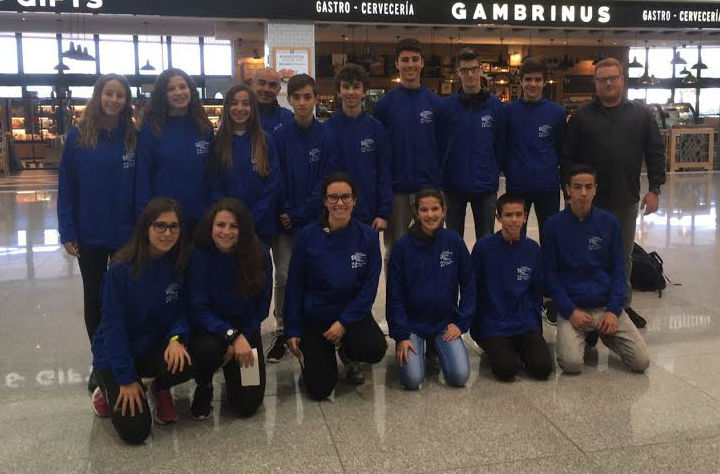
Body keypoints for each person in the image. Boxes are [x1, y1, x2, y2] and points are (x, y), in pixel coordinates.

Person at [562, 57, 666, 329]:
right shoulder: (582, 116)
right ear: (595, 84)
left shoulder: (641, 114)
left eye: (612, 78)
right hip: (587, 203)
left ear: (622, 80)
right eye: (602, 79)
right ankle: (585, 304)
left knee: (623, 255)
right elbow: (568, 156)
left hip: (624, 198)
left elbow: (655, 152)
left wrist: (654, 189)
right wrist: (570, 192)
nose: (608, 83)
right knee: (585, 254)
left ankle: (622, 306)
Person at [90, 197, 193, 444]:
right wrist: (125, 379)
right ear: (146, 227)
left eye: (174, 226)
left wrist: (176, 338)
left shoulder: (178, 263)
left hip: (151, 346)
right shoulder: (120, 270)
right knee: (136, 432)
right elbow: (113, 329)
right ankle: (106, 390)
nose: (167, 233)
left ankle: (160, 388)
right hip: (115, 355)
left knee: (189, 362)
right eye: (160, 226)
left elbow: (181, 312)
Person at [57, 73, 137, 393]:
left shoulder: (132, 136)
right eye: (109, 94)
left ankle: (124, 352)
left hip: (125, 233)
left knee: (122, 297)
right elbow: (67, 186)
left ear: (126, 100)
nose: (114, 100)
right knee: (95, 298)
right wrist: (67, 229)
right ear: (98, 96)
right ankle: (100, 360)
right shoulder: (78, 137)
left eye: (120, 95)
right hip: (90, 231)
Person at [284, 173, 387, 399]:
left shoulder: (368, 237)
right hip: (316, 316)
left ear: (355, 200)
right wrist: (292, 328)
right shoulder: (307, 237)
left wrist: (343, 323)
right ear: (324, 201)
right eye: (333, 197)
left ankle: (348, 353)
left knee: (375, 348)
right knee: (319, 390)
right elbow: (294, 286)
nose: (339, 203)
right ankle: (319, 356)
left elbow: (369, 289)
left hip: (350, 314)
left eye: (345, 197)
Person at [543, 164, 650, 375]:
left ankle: (604, 334)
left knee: (641, 362)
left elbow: (619, 270)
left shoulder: (609, 223)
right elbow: (550, 274)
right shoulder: (554, 225)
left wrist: (613, 310)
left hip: (606, 306)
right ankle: (586, 335)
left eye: (588, 187)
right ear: (567, 189)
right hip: (574, 308)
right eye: (577, 187)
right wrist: (570, 311)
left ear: (595, 189)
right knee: (572, 365)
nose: (583, 193)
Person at [266, 74, 335, 363]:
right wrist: (286, 212)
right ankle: (283, 328)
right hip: (284, 220)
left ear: (316, 99)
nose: (303, 103)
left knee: (317, 274)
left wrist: (302, 213)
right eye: (297, 98)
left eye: (308, 97)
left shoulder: (327, 135)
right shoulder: (279, 136)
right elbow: (275, 176)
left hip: (315, 219)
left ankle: (310, 322)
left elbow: (326, 180)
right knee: (283, 275)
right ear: (289, 100)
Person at [188, 198, 272, 419]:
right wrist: (231, 336)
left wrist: (243, 336)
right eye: (221, 225)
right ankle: (205, 383)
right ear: (211, 226)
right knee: (208, 350)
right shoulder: (198, 255)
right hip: (211, 332)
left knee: (248, 405)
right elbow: (198, 308)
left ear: (243, 229)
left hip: (246, 331)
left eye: (234, 226)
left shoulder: (260, 253)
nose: (227, 232)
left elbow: (262, 306)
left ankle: (232, 370)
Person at [387, 188, 474, 390]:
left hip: (443, 323)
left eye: (435, 209)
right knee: (412, 380)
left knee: (459, 376)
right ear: (416, 213)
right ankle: (417, 346)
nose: (430, 214)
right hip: (412, 325)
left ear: (444, 211)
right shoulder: (402, 247)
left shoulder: (454, 242)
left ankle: (435, 347)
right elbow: (394, 296)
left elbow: (469, 284)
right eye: (424, 210)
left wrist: (461, 323)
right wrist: (401, 335)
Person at [470, 192, 552, 382]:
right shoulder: (483, 248)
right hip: (493, 325)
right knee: (506, 370)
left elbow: (535, 292)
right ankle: (501, 350)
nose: (513, 220)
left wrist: (535, 329)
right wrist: (477, 327)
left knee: (542, 369)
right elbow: (473, 288)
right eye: (508, 215)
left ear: (525, 217)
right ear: (498, 218)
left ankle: (517, 348)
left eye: (518, 215)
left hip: (523, 323)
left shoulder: (533, 249)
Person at [373, 38, 442, 264]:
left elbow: (442, 148)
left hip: (428, 189)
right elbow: (380, 152)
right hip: (397, 190)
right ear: (397, 64)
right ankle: (396, 298)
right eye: (405, 60)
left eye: (414, 59)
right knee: (396, 249)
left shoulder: (435, 103)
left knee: (431, 246)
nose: (410, 64)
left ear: (422, 63)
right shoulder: (385, 105)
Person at [437, 47, 505, 243]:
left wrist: (493, 170)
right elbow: (439, 143)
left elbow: (501, 144)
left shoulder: (495, 107)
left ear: (481, 70)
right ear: (458, 73)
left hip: (485, 186)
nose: (470, 74)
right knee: (452, 240)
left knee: (486, 241)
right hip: (453, 186)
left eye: (474, 69)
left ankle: (482, 274)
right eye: (465, 70)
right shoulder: (446, 108)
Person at [135, 68, 214, 231]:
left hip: (200, 216)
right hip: (164, 220)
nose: (178, 92)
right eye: (171, 89)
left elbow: (213, 173)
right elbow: (143, 177)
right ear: (163, 95)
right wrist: (145, 216)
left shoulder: (204, 128)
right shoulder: (151, 130)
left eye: (182, 87)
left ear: (191, 90)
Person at [208, 84, 280, 245]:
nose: (240, 108)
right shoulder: (218, 144)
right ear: (227, 107)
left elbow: (272, 184)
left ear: (253, 108)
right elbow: (214, 185)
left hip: (260, 228)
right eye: (234, 103)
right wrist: (231, 219)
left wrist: (252, 219)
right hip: (228, 228)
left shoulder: (265, 141)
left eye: (246, 104)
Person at [504, 58, 566, 242]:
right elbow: (503, 145)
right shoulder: (508, 112)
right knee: (515, 236)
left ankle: (546, 271)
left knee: (549, 237)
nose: (533, 84)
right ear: (521, 81)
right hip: (517, 185)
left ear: (544, 83)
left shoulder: (556, 113)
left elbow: (561, 148)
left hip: (547, 186)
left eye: (538, 80)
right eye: (528, 79)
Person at [325, 63, 392, 230]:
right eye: (346, 87)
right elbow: (323, 175)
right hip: (335, 212)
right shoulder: (327, 129)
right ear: (339, 92)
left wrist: (382, 213)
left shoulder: (376, 129)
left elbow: (384, 172)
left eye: (356, 87)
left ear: (364, 91)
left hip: (368, 213)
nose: (351, 92)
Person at [252, 67, 294, 135]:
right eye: (262, 83)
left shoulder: (287, 118)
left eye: (272, 85)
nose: (266, 89)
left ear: (279, 90)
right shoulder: (242, 115)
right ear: (253, 85)